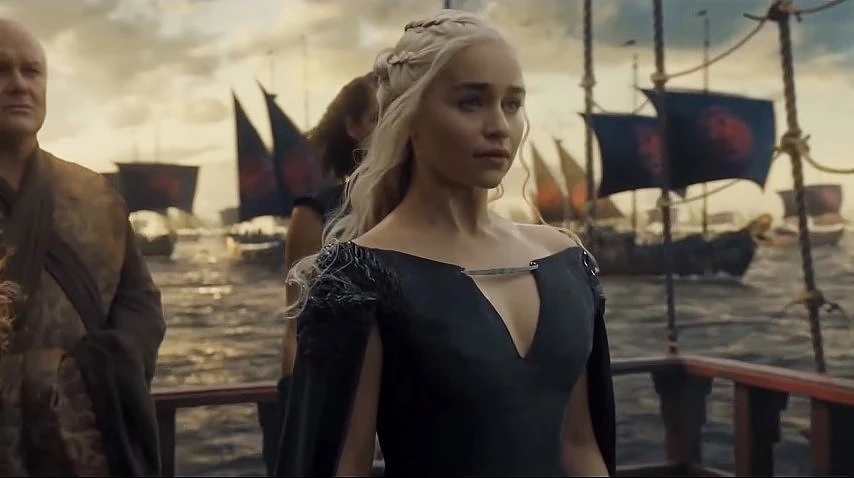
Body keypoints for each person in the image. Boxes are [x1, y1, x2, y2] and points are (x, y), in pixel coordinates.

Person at [275, 9, 615, 477]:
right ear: (408, 117)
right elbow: (342, 467)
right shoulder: (358, 280)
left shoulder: (566, 261)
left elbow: (580, 446)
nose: (499, 126)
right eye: (471, 102)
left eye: (512, 104)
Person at [0, 19, 165, 475]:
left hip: (91, 440)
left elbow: (140, 301)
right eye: (1, 70)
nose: (18, 83)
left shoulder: (94, 193)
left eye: (31, 71)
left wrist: (94, 374)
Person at [259, 72, 379, 476]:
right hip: (339, 409)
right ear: (353, 127)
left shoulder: (432, 214)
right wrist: (296, 417)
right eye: (379, 117)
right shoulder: (315, 214)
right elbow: (297, 325)